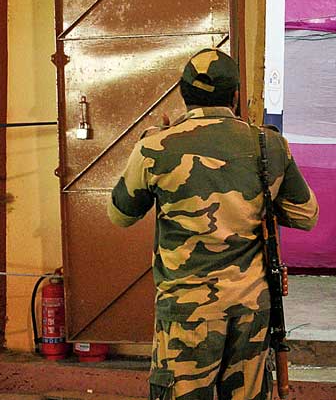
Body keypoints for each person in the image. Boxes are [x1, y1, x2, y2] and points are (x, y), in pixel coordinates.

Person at [107, 48, 319, 399]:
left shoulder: (155, 147)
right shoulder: (270, 145)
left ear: (183, 93)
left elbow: (120, 214)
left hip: (187, 313)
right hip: (251, 308)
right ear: (235, 96)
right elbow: (306, 215)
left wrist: (146, 149)